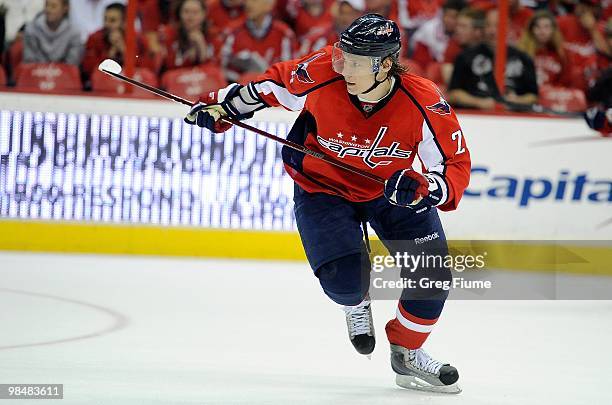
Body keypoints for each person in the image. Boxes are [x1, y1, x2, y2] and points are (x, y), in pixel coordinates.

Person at [184, 14, 470, 393]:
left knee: (431, 276)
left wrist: (426, 186)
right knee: (345, 283)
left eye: (354, 62)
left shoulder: (424, 99)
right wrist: (221, 107)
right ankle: (356, 301)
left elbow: (454, 165)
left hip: (391, 191)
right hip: (322, 187)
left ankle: (407, 353)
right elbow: (268, 87)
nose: (343, 67)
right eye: (342, 56)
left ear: (385, 65)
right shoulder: (324, 69)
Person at [447, 8, 538, 110]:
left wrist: (516, 101)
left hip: (514, 117)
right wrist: (479, 102)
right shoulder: (465, 56)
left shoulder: (523, 58)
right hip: (476, 115)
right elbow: (453, 93)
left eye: (497, 25)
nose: (492, 31)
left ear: (508, 27)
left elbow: (533, 96)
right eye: (488, 25)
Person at [81, 2, 155, 88]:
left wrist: (124, 51)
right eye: (105, 19)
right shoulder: (95, 38)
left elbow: (148, 68)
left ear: (124, 22)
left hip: (134, 84)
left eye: (112, 20)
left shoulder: (139, 39)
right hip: (103, 87)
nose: (107, 24)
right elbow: (87, 68)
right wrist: (108, 55)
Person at [220, 0, 297, 82]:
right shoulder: (232, 33)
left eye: (255, 1)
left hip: (274, 90)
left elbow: (290, 73)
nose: (248, 4)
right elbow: (221, 69)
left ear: (269, 6)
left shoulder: (284, 35)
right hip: (240, 90)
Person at [557, 0, 610, 90]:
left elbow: (607, 52)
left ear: (596, 9)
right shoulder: (562, 21)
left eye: (589, 5)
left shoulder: (602, 28)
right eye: (582, 3)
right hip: (564, 79)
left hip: (593, 84)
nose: (583, 8)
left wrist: (592, 29)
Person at [518, 10, 573, 88]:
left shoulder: (563, 53)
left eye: (546, 27)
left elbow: (566, 81)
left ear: (553, 30)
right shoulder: (522, 52)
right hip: (527, 95)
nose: (542, 31)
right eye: (538, 27)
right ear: (531, 29)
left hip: (554, 95)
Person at [159, 0, 216, 72]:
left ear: (203, 14)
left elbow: (214, 67)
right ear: (179, 13)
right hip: (177, 77)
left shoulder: (212, 33)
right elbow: (170, 65)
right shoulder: (169, 33)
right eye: (186, 12)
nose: (190, 17)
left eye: (195, 12)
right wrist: (188, 56)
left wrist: (201, 44)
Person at [409, 0, 465, 72]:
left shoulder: (466, 35)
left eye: (454, 17)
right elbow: (419, 61)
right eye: (446, 15)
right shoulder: (428, 29)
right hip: (430, 68)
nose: (448, 20)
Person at [23, 0, 82, 65]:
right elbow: (30, 62)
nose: (48, 10)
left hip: (65, 74)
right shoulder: (31, 30)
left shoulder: (74, 32)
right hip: (36, 73)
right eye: (46, 5)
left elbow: (72, 64)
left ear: (65, 9)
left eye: (53, 6)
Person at [298, 0, 365, 56]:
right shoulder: (320, 36)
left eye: (351, 13)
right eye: (343, 12)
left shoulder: (365, 39)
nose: (345, 18)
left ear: (360, 15)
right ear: (336, 11)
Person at [440, 7, 484, 85]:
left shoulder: (488, 48)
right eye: (457, 26)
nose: (458, 30)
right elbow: (449, 79)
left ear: (477, 31)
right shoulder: (454, 44)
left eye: (463, 26)